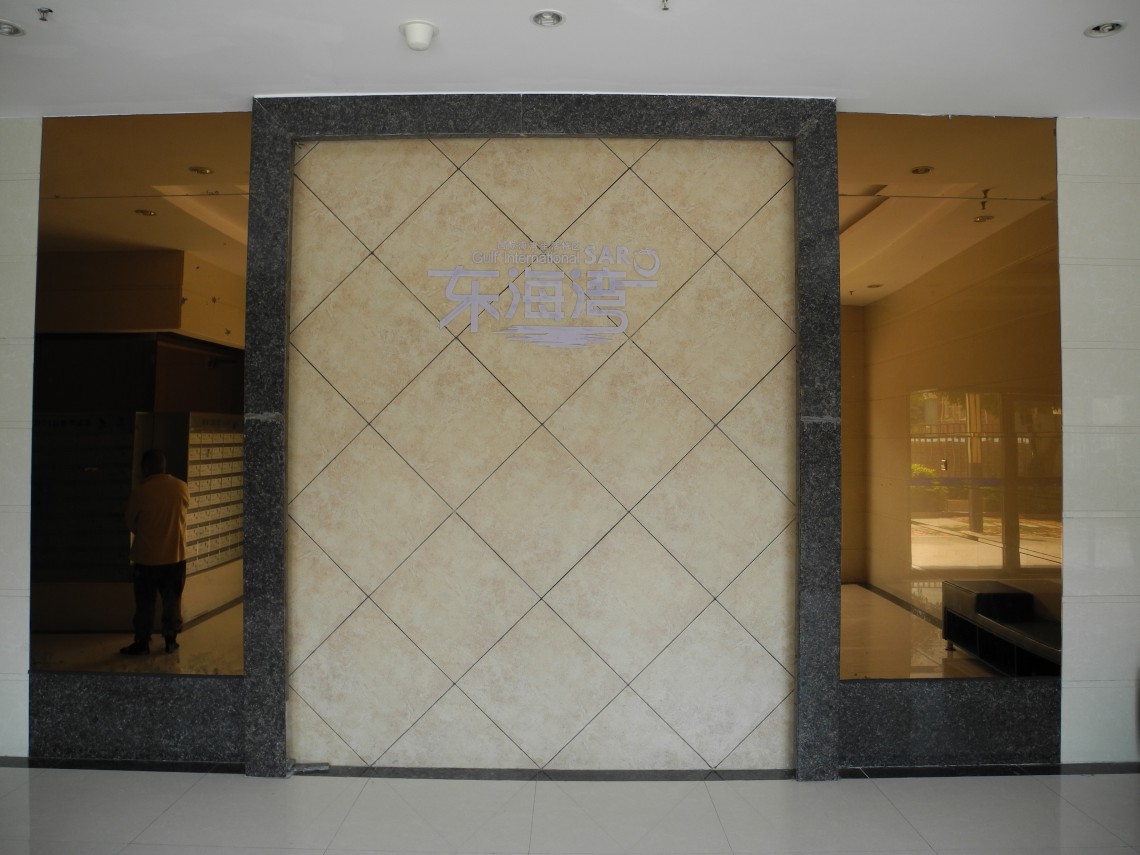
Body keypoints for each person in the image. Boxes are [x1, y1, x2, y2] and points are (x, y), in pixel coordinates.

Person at [121, 448, 189, 655]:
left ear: (146, 468)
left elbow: (130, 522)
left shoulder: (140, 492)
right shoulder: (182, 487)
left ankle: (142, 642)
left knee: (144, 604)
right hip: (175, 557)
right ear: (164, 466)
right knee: (172, 602)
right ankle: (170, 640)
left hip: (146, 559)